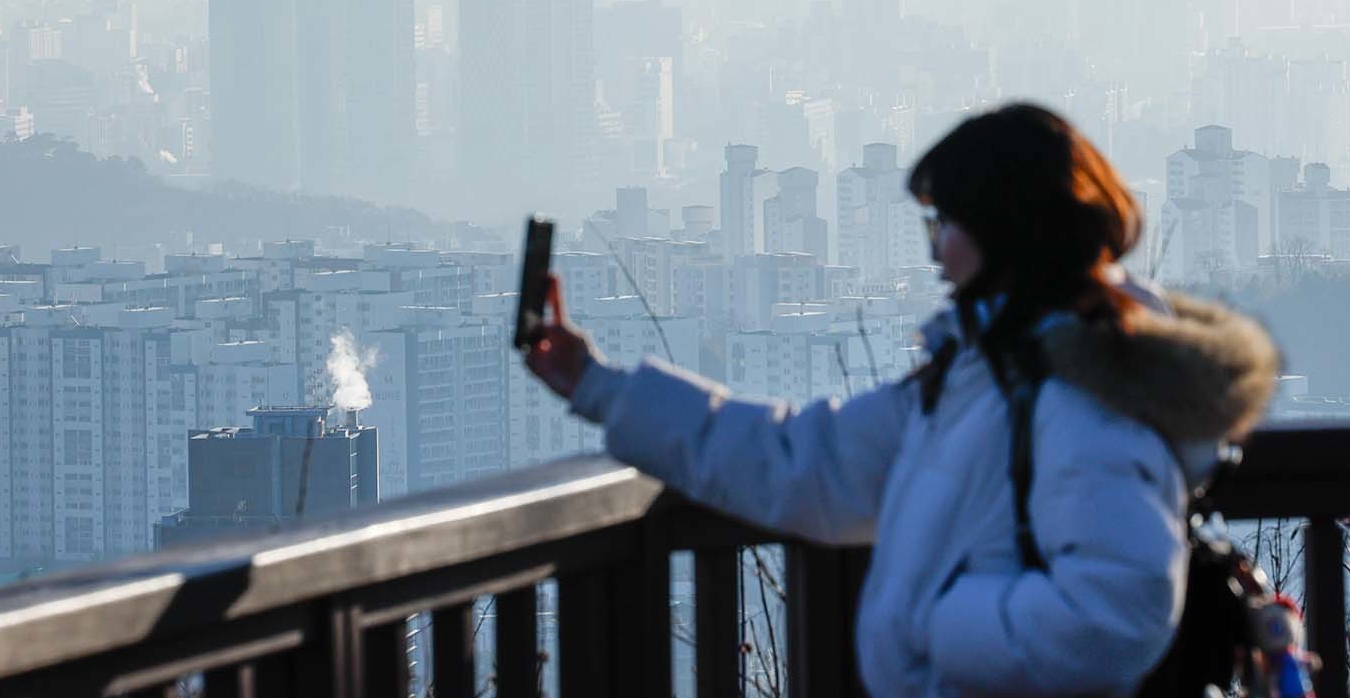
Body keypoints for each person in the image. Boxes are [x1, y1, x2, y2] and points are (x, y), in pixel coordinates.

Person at [524, 103, 1279, 697]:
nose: (932, 248)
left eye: (943, 222)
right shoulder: (981, 379)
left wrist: (932, 620)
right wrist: (597, 385)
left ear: (1004, 230)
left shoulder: (1081, 399)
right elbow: (804, 460)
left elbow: (1117, 611)